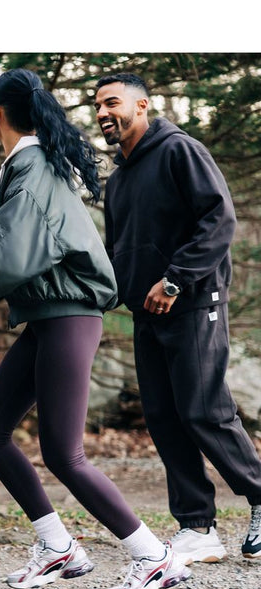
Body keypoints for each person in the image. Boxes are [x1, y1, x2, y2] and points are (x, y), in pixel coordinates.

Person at [0, 68, 190, 589]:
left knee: (64, 453)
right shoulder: (28, 165)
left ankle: (153, 557)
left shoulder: (33, 167)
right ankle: (57, 546)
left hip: (68, 317)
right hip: (49, 317)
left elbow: (4, 261)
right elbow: (9, 252)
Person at [94, 72, 261, 564]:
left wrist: (174, 281)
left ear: (142, 105)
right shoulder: (119, 180)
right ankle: (197, 526)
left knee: (203, 410)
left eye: (112, 103)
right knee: (164, 418)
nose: (103, 113)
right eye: (97, 106)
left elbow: (219, 220)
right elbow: (118, 251)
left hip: (193, 301)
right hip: (147, 314)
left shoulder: (179, 150)